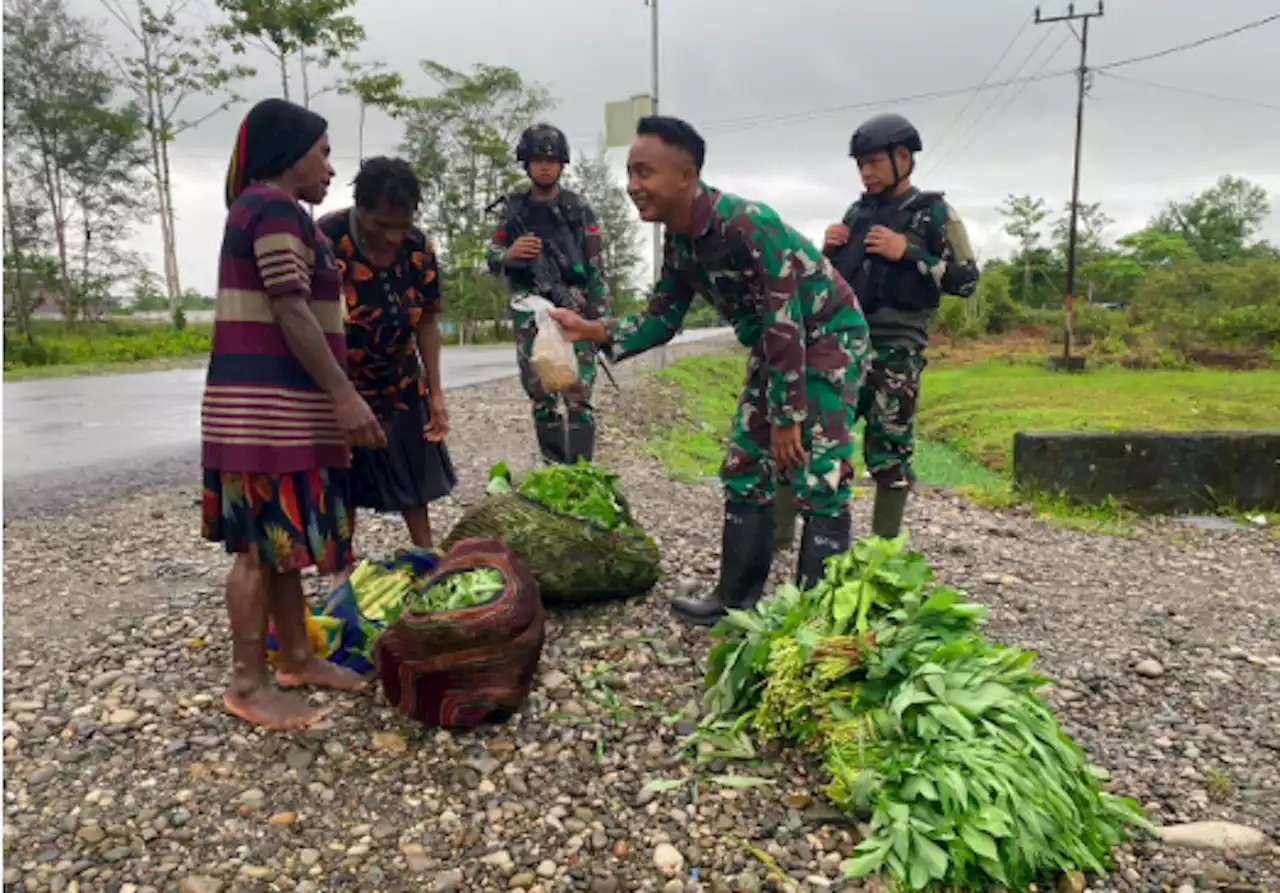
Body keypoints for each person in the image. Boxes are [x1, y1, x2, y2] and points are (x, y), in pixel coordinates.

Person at [547, 115, 872, 627]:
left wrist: (786, 417)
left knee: (820, 472)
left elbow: (785, 320)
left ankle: (817, 620)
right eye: (629, 173)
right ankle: (737, 600)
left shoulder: (746, 224)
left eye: (645, 173)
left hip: (828, 336)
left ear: (686, 175)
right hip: (777, 345)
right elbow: (661, 319)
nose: (633, 186)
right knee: (746, 466)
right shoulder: (680, 243)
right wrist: (589, 330)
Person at [201, 97, 381, 731]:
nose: (330, 167)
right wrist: (344, 396)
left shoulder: (272, 211)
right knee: (255, 550)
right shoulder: (273, 208)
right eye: (324, 153)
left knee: (279, 546)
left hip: (278, 412)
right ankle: (247, 684)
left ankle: (297, 659)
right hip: (262, 414)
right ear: (289, 153)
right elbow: (290, 308)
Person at [806, 112, 980, 540]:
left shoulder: (935, 213)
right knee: (822, 441)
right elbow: (829, 285)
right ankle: (812, 543)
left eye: (874, 162)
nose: (866, 173)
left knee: (889, 453)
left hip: (898, 349)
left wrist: (909, 253)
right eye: (860, 164)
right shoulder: (856, 212)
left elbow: (967, 280)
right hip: (846, 344)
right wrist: (824, 252)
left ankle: (882, 551)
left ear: (903, 158)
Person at [317, 156, 456, 549]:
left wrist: (436, 391)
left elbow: (427, 320)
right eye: (382, 225)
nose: (394, 237)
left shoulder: (418, 246)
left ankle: (427, 554)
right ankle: (341, 570)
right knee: (341, 479)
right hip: (342, 384)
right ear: (361, 209)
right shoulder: (327, 239)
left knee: (415, 475)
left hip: (400, 378)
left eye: (403, 225)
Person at [486, 122, 610, 464]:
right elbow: (491, 259)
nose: (545, 165)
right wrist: (509, 255)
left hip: (576, 307)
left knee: (578, 394)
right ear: (526, 163)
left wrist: (600, 323)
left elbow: (597, 267)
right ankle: (554, 468)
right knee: (541, 394)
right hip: (530, 312)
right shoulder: (513, 211)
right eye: (537, 159)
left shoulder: (578, 209)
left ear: (562, 165)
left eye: (552, 160)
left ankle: (581, 472)